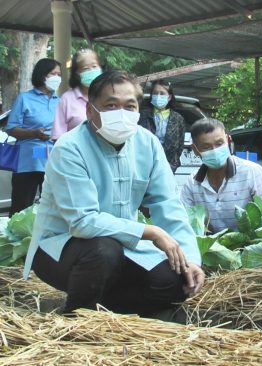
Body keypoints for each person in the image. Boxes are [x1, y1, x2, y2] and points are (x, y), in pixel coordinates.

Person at [22, 71, 204, 318]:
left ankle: (108, 308)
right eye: (111, 106)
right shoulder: (70, 148)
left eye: (130, 106)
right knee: (103, 251)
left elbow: (166, 202)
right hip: (62, 249)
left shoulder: (147, 143)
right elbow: (83, 223)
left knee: (175, 281)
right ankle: (78, 318)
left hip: (122, 247)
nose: (122, 113)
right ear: (90, 110)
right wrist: (150, 231)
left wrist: (191, 259)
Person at [181, 118, 262, 232]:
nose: (214, 151)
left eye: (219, 143)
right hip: (210, 247)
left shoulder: (251, 172)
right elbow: (183, 220)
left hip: (251, 245)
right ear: (195, 149)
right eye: (206, 147)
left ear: (228, 140)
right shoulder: (192, 183)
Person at [6, 58, 61, 216]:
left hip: (53, 162)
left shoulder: (61, 101)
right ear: (42, 75)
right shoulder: (24, 98)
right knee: (21, 208)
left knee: (53, 209)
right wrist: (34, 133)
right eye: (53, 74)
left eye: (59, 74)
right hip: (27, 163)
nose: (57, 77)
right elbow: (11, 128)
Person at [51, 49, 102, 141]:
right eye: (86, 68)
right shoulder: (67, 99)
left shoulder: (107, 95)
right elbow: (57, 137)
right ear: (77, 73)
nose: (91, 71)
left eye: (94, 66)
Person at [138, 80, 186, 172]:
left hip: (168, 166)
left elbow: (180, 145)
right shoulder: (142, 115)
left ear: (169, 97)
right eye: (155, 93)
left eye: (162, 93)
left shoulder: (178, 119)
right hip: (144, 165)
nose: (158, 96)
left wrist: (173, 164)